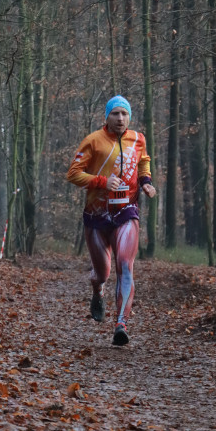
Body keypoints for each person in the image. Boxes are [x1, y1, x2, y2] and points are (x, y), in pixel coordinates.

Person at [67, 96, 156, 345]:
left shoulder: (138, 139)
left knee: (125, 264)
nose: (120, 118)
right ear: (106, 116)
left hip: (126, 211)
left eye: (124, 114)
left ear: (130, 117)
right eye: (115, 113)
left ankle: (121, 324)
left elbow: (143, 161)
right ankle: (97, 288)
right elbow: (73, 174)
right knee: (103, 273)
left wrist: (146, 182)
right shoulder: (93, 141)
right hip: (96, 216)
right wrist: (102, 182)